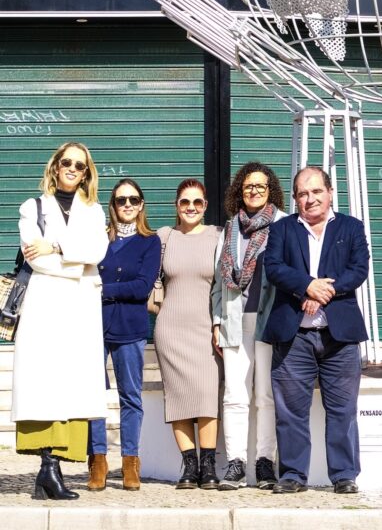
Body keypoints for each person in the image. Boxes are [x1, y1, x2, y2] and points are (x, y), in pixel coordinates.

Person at [263, 166, 370, 494]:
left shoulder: (351, 227)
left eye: (316, 192)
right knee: (290, 411)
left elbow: (358, 269)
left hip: (340, 336)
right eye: (302, 194)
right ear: (295, 198)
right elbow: (274, 268)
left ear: (329, 192)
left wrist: (325, 292)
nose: (309, 199)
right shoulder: (282, 229)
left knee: (343, 410)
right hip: (293, 336)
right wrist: (307, 286)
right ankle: (293, 475)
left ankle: (344, 475)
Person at [11, 142, 109, 500]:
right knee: (44, 383)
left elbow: (98, 251)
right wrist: (75, 259)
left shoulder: (94, 209)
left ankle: (49, 474)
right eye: (66, 162)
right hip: (45, 304)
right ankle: (47, 469)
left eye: (79, 165)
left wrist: (57, 247)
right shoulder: (31, 206)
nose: (72, 168)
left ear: (86, 172)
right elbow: (36, 259)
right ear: (55, 167)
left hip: (80, 310)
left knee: (71, 385)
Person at [212, 162, 285, 491]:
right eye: (248, 186)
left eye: (260, 186)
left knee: (265, 395)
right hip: (233, 320)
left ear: (270, 190)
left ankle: (265, 462)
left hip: (269, 320)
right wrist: (216, 321)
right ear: (239, 191)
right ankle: (236, 463)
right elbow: (218, 281)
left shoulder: (284, 225)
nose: (254, 191)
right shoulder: (229, 229)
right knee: (234, 395)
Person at [87, 179, 161, 492]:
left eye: (133, 199)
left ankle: (131, 461)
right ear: (113, 205)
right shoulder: (97, 238)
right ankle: (98, 460)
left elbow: (143, 286)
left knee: (130, 396)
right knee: (92, 397)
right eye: (120, 200)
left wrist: (103, 289)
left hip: (130, 328)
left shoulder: (150, 241)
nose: (127, 205)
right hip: (93, 326)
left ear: (141, 204)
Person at [153, 178, 223, 490]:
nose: (191, 208)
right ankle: (189, 464)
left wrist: (220, 324)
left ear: (205, 206)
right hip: (170, 329)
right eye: (185, 202)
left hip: (205, 329)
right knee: (179, 397)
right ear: (176, 206)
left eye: (197, 202)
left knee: (207, 395)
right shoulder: (164, 237)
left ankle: (208, 464)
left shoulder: (218, 236)